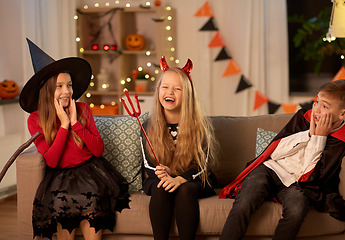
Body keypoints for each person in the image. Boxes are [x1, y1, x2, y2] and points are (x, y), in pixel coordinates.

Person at [219, 79, 345, 240]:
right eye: (317, 102)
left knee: (297, 210)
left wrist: (319, 139)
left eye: (325, 106)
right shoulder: (303, 117)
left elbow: (310, 176)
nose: (316, 110)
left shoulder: (342, 143)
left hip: (296, 183)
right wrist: (308, 134)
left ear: (343, 113)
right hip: (270, 169)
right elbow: (275, 152)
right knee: (245, 201)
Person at [19, 38, 130, 240]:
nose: (67, 91)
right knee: (61, 206)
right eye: (59, 86)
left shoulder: (83, 109)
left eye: (69, 85)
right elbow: (52, 160)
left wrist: (75, 123)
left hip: (90, 171)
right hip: (60, 177)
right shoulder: (35, 119)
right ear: (47, 90)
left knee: (93, 200)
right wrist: (63, 125)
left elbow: (98, 150)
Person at [140, 56, 218, 240]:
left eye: (177, 89)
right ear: (158, 91)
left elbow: (203, 165)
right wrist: (164, 174)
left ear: (188, 95)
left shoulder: (200, 126)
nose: (170, 92)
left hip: (194, 179)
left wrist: (180, 179)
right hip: (159, 179)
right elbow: (147, 165)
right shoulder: (148, 126)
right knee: (160, 188)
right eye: (165, 87)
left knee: (184, 190)